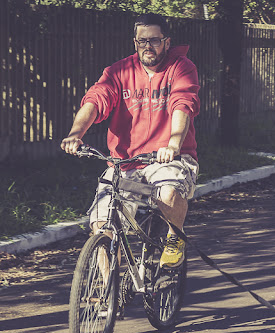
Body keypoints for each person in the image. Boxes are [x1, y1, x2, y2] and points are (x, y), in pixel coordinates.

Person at [61, 13, 200, 269]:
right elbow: (95, 100)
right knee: (101, 226)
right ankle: (106, 296)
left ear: (167, 42)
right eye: (142, 41)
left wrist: (173, 144)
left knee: (168, 192)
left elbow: (183, 104)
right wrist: (75, 133)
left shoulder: (181, 68)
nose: (148, 47)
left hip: (166, 157)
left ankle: (175, 235)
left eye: (155, 41)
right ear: (134, 42)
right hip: (124, 163)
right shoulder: (119, 71)